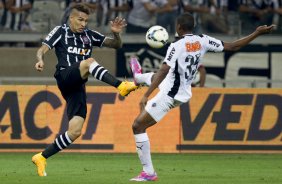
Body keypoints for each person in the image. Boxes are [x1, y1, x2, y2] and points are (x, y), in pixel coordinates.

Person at [128, 12, 274, 181]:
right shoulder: (203, 40)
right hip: (182, 90)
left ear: (178, 28)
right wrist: (257, 33)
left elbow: (164, 69)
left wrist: (147, 94)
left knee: (137, 126)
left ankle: (149, 172)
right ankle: (138, 77)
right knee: (156, 78)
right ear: (194, 26)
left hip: (170, 94)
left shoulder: (177, 45)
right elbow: (233, 46)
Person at [31, 3, 138, 177]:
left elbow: (116, 45)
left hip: (77, 86)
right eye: (80, 20)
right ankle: (121, 86)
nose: (83, 24)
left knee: (75, 131)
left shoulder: (89, 35)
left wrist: (116, 34)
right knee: (89, 62)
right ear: (71, 18)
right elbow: (42, 49)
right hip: (65, 76)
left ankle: (42, 157)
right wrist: (40, 59)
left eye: (86, 21)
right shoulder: (60, 31)